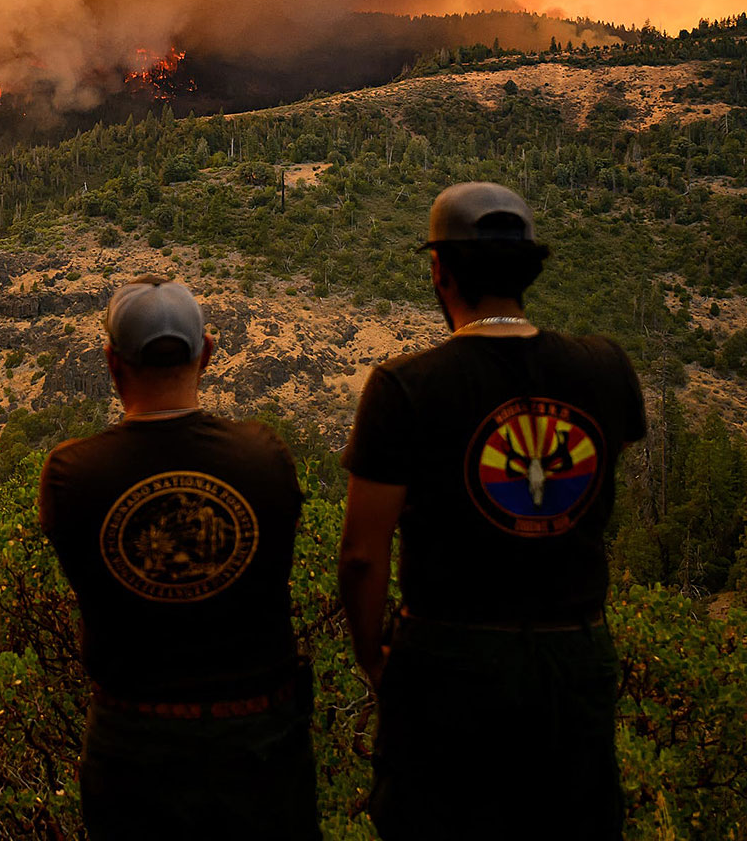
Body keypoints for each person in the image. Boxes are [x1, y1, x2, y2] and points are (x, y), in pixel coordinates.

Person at [338, 182, 645, 841]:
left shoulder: (405, 387)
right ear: (531, 268)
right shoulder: (605, 369)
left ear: (440, 272)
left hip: (451, 660)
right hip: (575, 656)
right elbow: (588, 484)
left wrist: (374, 657)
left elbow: (363, 554)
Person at [40, 276, 320, 841]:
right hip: (260, 743)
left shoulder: (73, 475)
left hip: (134, 744)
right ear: (208, 353)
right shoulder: (264, 458)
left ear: (111, 362)